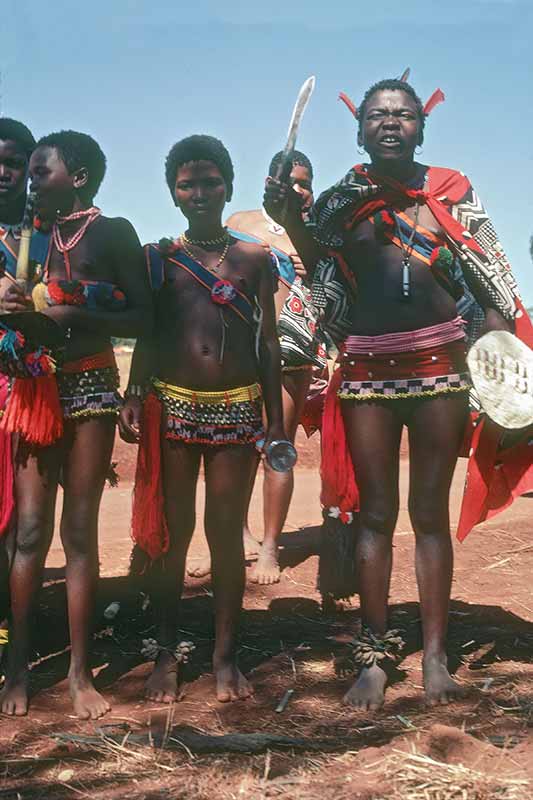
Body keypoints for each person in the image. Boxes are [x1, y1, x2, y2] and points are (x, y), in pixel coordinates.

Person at [264, 76, 533, 710]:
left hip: (441, 366)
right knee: (376, 515)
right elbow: (320, 264)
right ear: (358, 129)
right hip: (365, 371)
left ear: (422, 125)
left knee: (428, 515)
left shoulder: (452, 189)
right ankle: (375, 655)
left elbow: (490, 273)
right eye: (378, 116)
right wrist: (289, 220)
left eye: (404, 115)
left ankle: (436, 656)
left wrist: (500, 364)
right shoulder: (340, 200)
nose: (391, 123)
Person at [119, 135, 284, 703]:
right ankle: (167, 652)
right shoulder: (158, 259)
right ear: (172, 191)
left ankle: (223, 655)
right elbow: (147, 334)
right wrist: (133, 393)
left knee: (222, 533)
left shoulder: (256, 259)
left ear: (228, 187)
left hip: (238, 411)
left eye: (209, 182)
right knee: (172, 536)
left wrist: (276, 422)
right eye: (187, 183)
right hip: (174, 407)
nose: (198, 192)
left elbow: (267, 342)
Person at [0, 130, 151, 718]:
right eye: (30, 172)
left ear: (79, 177)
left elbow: (141, 315)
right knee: (31, 531)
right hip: (34, 388)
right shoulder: (26, 238)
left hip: (89, 384)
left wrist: (63, 304)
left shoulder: (113, 233)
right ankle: (17, 668)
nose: (32, 181)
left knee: (80, 532)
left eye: (42, 171)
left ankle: (80, 672)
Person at [187, 150, 325, 585]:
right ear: (270, 181)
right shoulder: (242, 223)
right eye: (290, 181)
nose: (297, 189)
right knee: (234, 448)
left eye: (305, 182)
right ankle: (231, 540)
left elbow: (334, 285)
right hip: (244, 345)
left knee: (276, 447)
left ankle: (269, 549)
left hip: (293, 349)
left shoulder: (315, 232)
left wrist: (309, 262)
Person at [0, 117, 50, 665]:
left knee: (25, 525)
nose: (3, 172)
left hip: (36, 395)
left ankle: (17, 643)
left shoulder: (49, 228)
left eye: (14, 162)